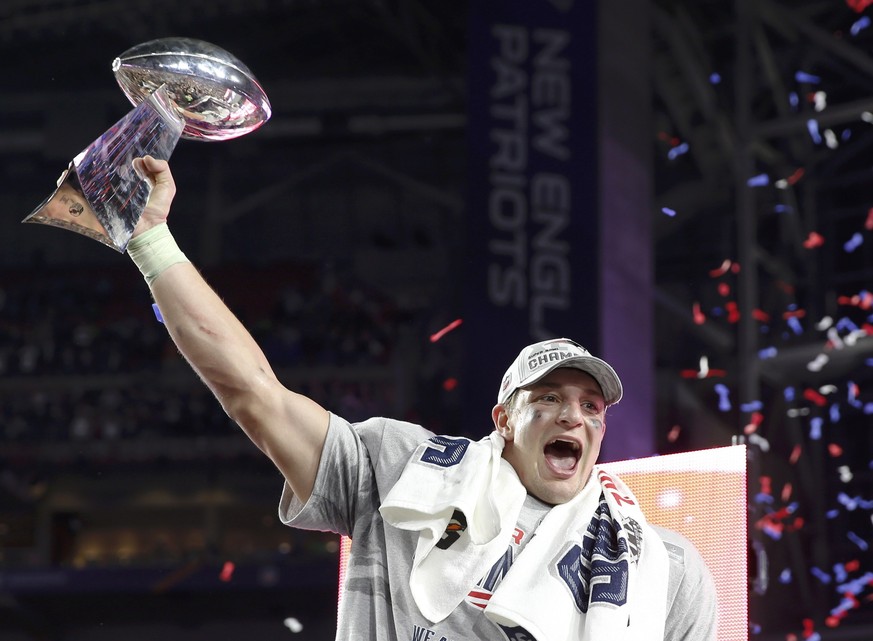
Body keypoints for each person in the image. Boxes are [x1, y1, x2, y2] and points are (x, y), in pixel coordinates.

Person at [127, 155, 718, 641]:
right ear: (503, 420)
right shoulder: (402, 470)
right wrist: (152, 241)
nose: (574, 415)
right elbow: (255, 396)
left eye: (592, 406)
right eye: (548, 399)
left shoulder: (666, 567)